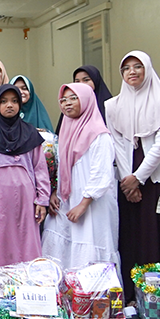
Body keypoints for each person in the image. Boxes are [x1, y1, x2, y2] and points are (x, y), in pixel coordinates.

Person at [107, 51, 160, 297]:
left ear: (147, 69)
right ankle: (129, 294)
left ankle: (154, 295)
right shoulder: (113, 105)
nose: (132, 72)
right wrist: (128, 181)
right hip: (126, 179)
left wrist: (138, 177)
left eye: (138, 66)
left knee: (152, 233)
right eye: (126, 68)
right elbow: (117, 143)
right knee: (129, 235)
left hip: (153, 177)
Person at [41, 83, 119, 271]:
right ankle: (67, 297)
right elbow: (61, 169)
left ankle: (92, 299)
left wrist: (83, 204)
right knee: (60, 244)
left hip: (93, 204)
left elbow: (102, 174)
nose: (67, 104)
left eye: (73, 98)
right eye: (63, 100)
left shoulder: (100, 135)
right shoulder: (65, 133)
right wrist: (55, 193)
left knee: (90, 245)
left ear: (86, 100)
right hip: (67, 201)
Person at [0, 85, 50, 273]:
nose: (10, 105)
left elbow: (40, 168)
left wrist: (42, 199)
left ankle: (29, 288)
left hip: (26, 199)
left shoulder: (31, 134)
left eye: (14, 101)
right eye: (4, 101)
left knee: (26, 241)